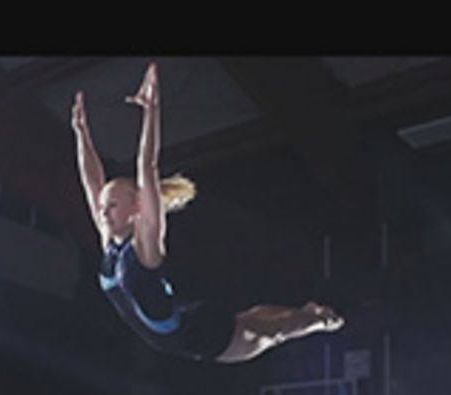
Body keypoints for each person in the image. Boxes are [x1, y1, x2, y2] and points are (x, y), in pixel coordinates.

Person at [71, 62, 343, 364]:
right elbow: (91, 180)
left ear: (137, 208)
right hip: (184, 317)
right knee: (252, 316)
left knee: (274, 331)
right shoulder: (109, 240)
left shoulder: (144, 247)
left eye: (112, 206)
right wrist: (81, 132)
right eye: (102, 206)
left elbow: (147, 167)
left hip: (198, 335)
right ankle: (307, 312)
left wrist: (151, 111)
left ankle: (320, 321)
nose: (103, 212)